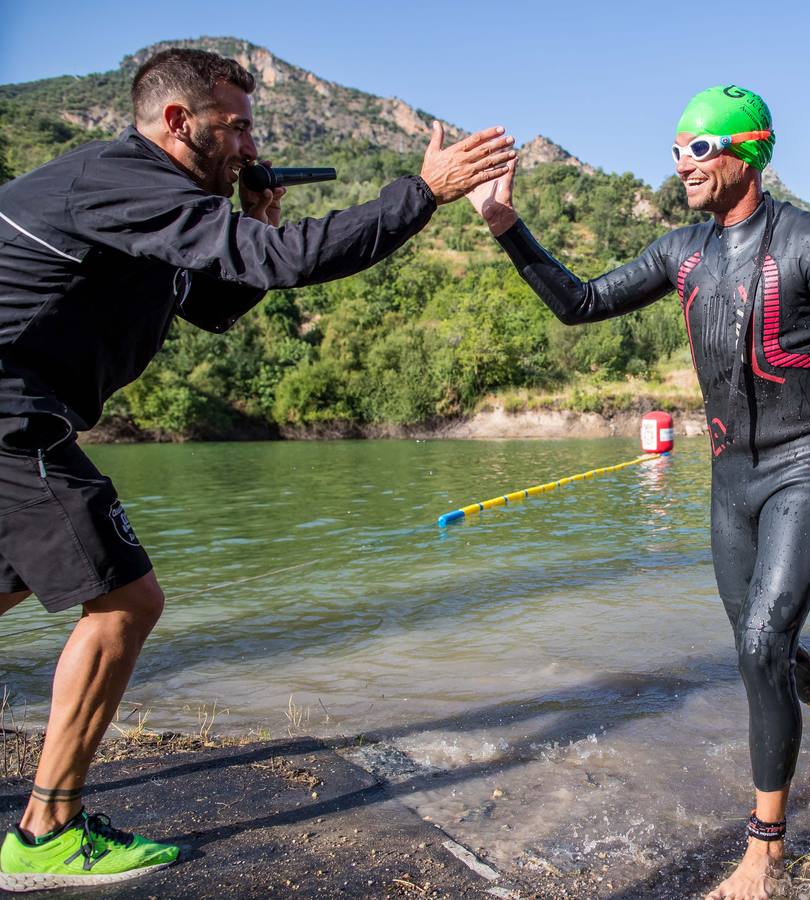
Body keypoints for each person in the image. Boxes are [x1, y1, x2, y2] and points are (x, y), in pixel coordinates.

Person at [0, 48, 514, 890]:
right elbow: (283, 265)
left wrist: (258, 224)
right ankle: (46, 831)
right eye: (234, 126)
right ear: (178, 122)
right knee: (128, 599)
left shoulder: (155, 205)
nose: (247, 144)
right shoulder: (120, 178)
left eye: (250, 127)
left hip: (28, 414)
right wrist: (421, 193)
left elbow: (210, 302)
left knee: (13, 583)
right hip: (11, 415)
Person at [467, 85, 810, 900]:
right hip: (729, 477)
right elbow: (581, 303)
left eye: (699, 149)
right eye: (676, 149)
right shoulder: (683, 252)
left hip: (807, 464)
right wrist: (506, 226)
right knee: (761, 643)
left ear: (748, 151)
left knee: (759, 646)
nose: (683, 164)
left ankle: (765, 851)